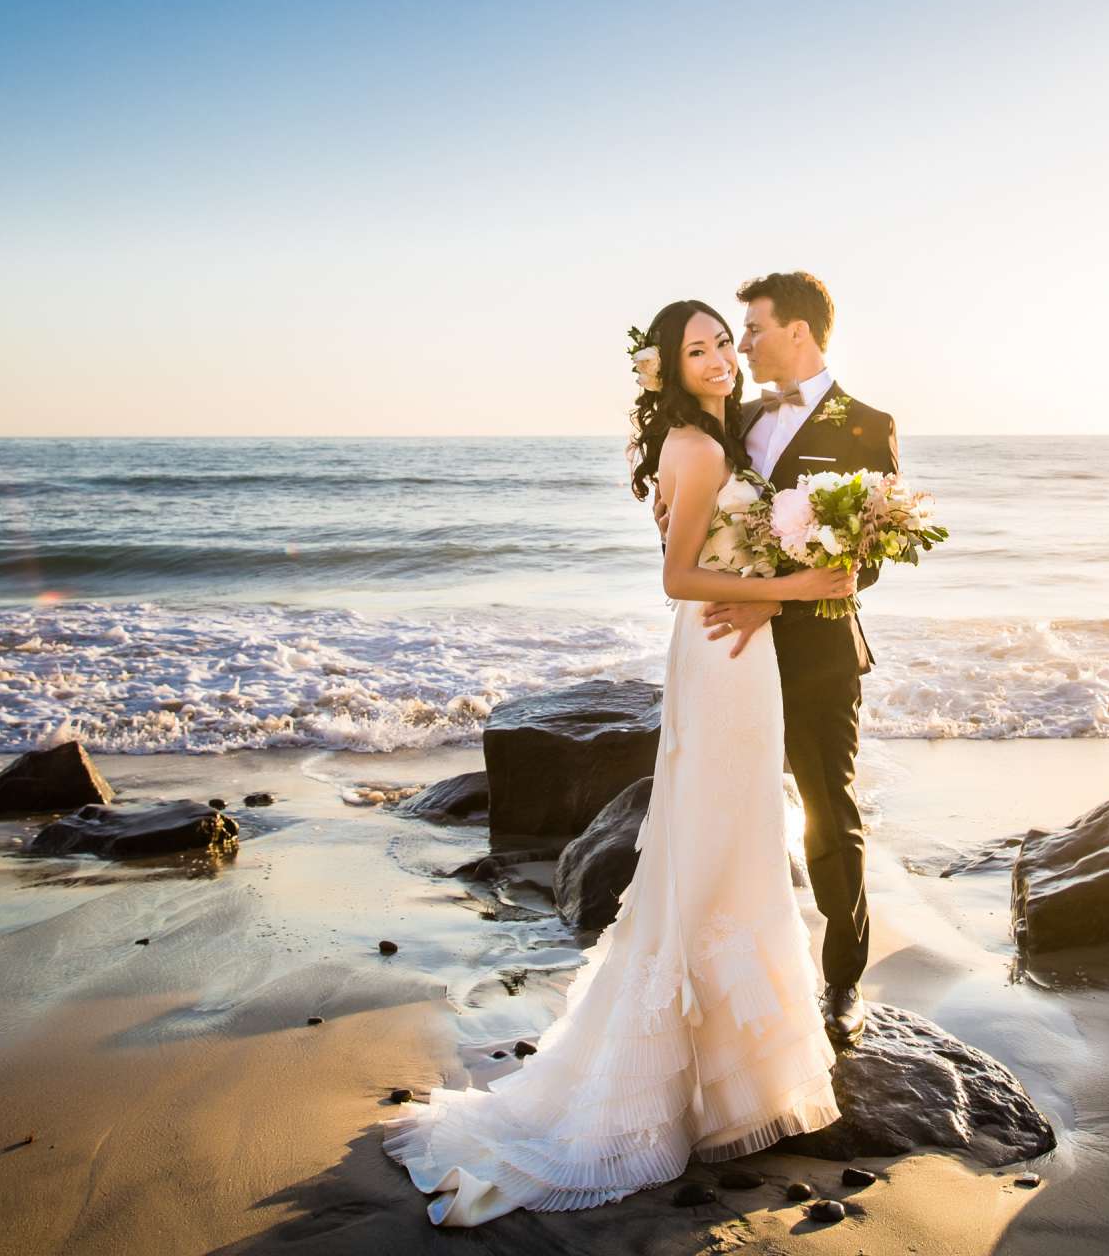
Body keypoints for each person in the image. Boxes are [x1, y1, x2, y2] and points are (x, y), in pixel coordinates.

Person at [379, 297, 855, 1226]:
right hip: (719, 659)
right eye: (698, 349)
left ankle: (733, 1082)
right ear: (668, 369)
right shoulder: (703, 448)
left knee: (730, 842)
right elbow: (677, 580)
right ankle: (692, 1090)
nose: (719, 358)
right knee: (715, 843)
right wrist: (794, 585)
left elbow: (720, 561)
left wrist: (776, 592)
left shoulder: (721, 437)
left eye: (724, 342)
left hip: (735, 655)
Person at [692, 271, 898, 1046]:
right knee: (725, 809)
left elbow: (866, 562)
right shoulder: (734, 419)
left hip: (817, 653)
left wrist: (772, 600)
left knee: (826, 812)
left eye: (753, 328)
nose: (741, 344)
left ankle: (842, 981)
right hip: (731, 650)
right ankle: (725, 973)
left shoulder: (866, 425)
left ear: (800, 333)